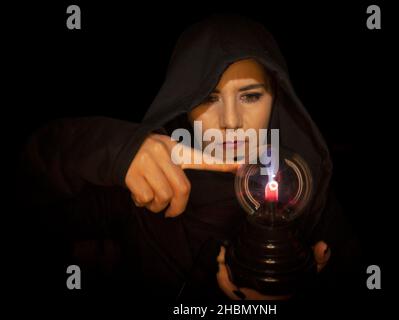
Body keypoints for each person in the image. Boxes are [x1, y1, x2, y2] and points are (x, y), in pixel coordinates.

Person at [18, 14, 359, 301]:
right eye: (207, 99)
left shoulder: (311, 203)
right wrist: (112, 150)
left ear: (278, 102)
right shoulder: (142, 193)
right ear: (182, 106)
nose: (230, 121)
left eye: (251, 96)